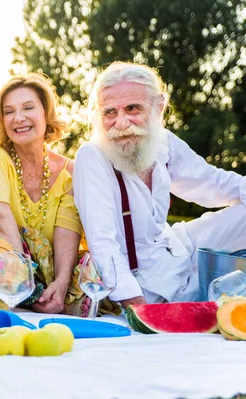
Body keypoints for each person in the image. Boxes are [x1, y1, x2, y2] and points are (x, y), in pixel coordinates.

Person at [74, 62, 246, 309]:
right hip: (148, 282)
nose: (121, 123)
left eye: (133, 108)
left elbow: (214, 184)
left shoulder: (164, 143)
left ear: (158, 107)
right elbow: (103, 244)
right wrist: (137, 307)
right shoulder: (92, 156)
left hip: (178, 245)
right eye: (109, 112)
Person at [0, 73, 108, 316]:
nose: (18, 118)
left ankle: (56, 295)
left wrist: (62, 283)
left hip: (50, 268)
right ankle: (33, 296)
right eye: (8, 111)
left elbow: (68, 231)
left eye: (28, 108)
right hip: (4, 265)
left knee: (94, 263)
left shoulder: (70, 171)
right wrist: (23, 276)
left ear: (46, 113)